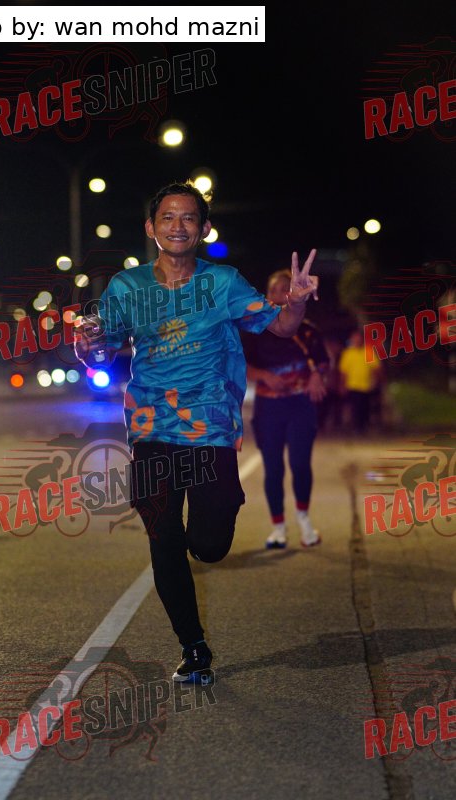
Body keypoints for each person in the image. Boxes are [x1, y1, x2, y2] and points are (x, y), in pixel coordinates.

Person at [74, 182, 319, 683]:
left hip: (210, 428)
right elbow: (100, 350)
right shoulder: (127, 287)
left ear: (204, 228)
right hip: (150, 427)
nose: (178, 225)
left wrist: (295, 302)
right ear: (151, 227)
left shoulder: (223, 283)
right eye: (168, 217)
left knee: (209, 545)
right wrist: (87, 342)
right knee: (163, 537)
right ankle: (193, 646)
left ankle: (220, 505)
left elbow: (280, 326)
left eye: (188, 217)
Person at [243, 269, 329, 550]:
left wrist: (317, 376)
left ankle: (304, 520)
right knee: (273, 468)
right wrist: (265, 376)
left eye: (284, 289)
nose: (279, 294)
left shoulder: (307, 329)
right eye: (274, 290)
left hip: (300, 405)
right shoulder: (255, 330)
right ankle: (278, 527)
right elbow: (242, 365)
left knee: (300, 463)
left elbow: (322, 362)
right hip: (269, 408)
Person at [338, 329, 382, 435]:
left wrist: (377, 382)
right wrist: (342, 385)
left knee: (365, 408)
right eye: (354, 338)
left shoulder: (369, 352)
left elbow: (376, 368)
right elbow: (343, 371)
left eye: (358, 338)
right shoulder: (347, 353)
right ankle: (356, 427)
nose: (357, 340)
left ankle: (364, 427)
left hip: (366, 386)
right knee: (355, 408)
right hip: (352, 385)